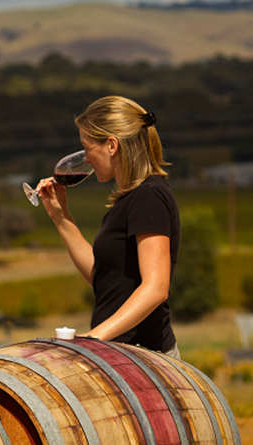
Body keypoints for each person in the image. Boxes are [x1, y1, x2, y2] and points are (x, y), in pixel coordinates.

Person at [35, 95, 180, 359]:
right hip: (120, 355)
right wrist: (61, 217)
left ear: (111, 145)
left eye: (87, 147)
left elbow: (156, 288)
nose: (86, 159)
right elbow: (105, 278)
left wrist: (92, 339)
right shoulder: (130, 199)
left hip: (146, 360)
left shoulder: (149, 196)